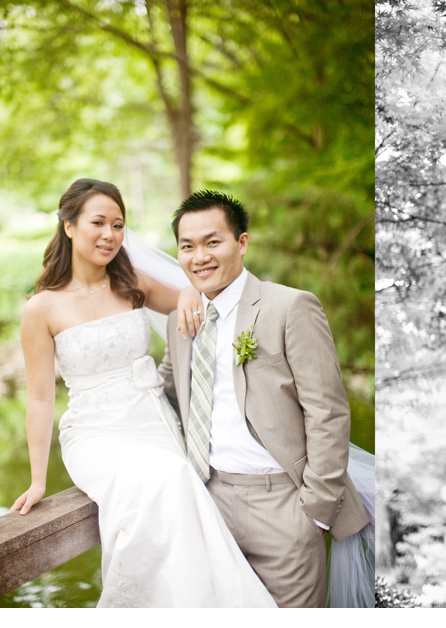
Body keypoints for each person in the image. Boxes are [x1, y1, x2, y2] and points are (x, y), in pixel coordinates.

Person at [11, 178, 276, 607]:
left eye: (118, 224)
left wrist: (189, 288)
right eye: (98, 222)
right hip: (95, 433)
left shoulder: (131, 281)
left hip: (154, 421)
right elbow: (41, 398)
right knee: (167, 479)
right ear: (69, 226)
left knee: (180, 483)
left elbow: (195, 302)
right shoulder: (42, 308)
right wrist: (38, 479)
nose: (110, 235)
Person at [158, 190, 372, 608]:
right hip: (209, 503)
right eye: (187, 247)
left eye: (212, 242)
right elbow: (165, 389)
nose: (199, 256)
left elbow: (327, 412)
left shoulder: (290, 306)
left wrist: (314, 510)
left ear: (241, 243)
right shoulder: (179, 320)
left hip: (284, 507)